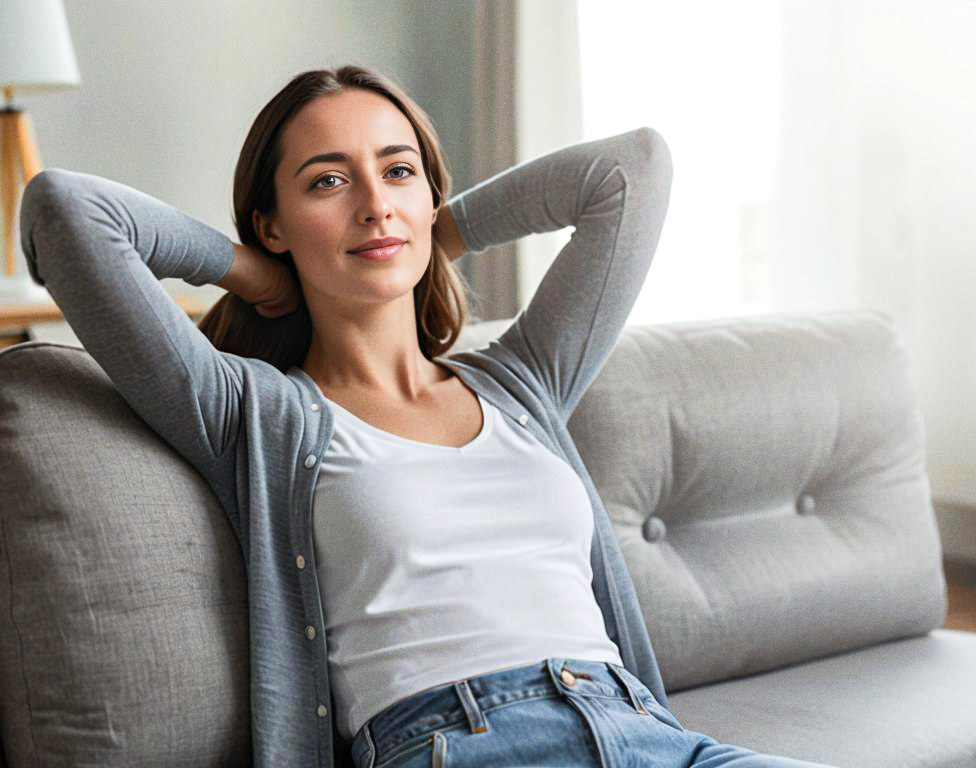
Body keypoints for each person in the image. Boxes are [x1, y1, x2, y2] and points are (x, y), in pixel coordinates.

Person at [20, 65, 838, 768]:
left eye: (399, 171)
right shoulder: (257, 414)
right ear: (273, 222)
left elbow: (634, 170)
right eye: (328, 181)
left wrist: (436, 234)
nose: (375, 204)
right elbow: (65, 212)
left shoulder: (525, 383)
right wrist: (258, 276)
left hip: (649, 735)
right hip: (458, 742)